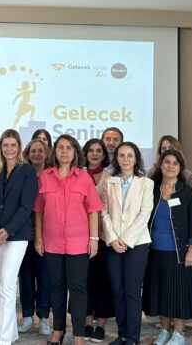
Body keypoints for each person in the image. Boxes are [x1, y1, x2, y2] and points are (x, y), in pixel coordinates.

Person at [33, 134, 103, 345]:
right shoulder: (45, 176)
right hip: (52, 242)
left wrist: (94, 238)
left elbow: (93, 209)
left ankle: (79, 334)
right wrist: (38, 237)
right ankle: (58, 329)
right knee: (56, 287)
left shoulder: (84, 177)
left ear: (75, 153)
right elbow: (38, 209)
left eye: (69, 148)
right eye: (61, 147)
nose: (64, 151)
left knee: (78, 289)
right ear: (54, 151)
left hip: (78, 243)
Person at [0, 129, 38, 345]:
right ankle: (11, 333)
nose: (8, 149)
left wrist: (7, 230)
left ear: (19, 147)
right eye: (5, 145)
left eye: (13, 145)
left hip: (16, 235)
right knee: (2, 284)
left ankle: (3, 340)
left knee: (6, 285)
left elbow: (26, 206)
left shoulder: (27, 171)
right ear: (0, 148)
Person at [142, 149, 192, 345]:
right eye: (167, 162)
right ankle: (165, 331)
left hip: (179, 253)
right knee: (160, 293)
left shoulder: (187, 193)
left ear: (180, 168)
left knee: (178, 294)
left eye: (175, 163)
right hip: (153, 252)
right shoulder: (151, 190)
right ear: (161, 166)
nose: (171, 166)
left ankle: (179, 334)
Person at [98, 142, 153, 345]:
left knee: (132, 293)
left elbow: (144, 214)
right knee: (118, 291)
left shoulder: (146, 183)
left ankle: (133, 338)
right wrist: (113, 238)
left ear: (136, 158)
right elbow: (103, 211)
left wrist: (126, 239)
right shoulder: (109, 182)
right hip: (112, 244)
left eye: (130, 155)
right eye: (121, 155)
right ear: (116, 159)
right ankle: (122, 335)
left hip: (137, 244)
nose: (126, 159)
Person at [19, 139, 52, 336]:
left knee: (45, 278)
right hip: (24, 232)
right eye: (33, 151)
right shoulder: (22, 173)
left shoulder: (52, 175)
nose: (37, 154)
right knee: (25, 276)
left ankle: (44, 318)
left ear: (47, 154)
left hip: (47, 234)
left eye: (41, 151)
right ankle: (27, 317)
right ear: (27, 154)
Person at [82, 138, 113, 341]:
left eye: (98, 150)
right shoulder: (78, 174)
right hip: (81, 236)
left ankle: (101, 325)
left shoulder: (111, 177)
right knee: (83, 281)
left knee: (104, 281)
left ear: (104, 154)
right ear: (85, 154)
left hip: (105, 236)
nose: (94, 154)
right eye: (91, 150)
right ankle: (86, 322)